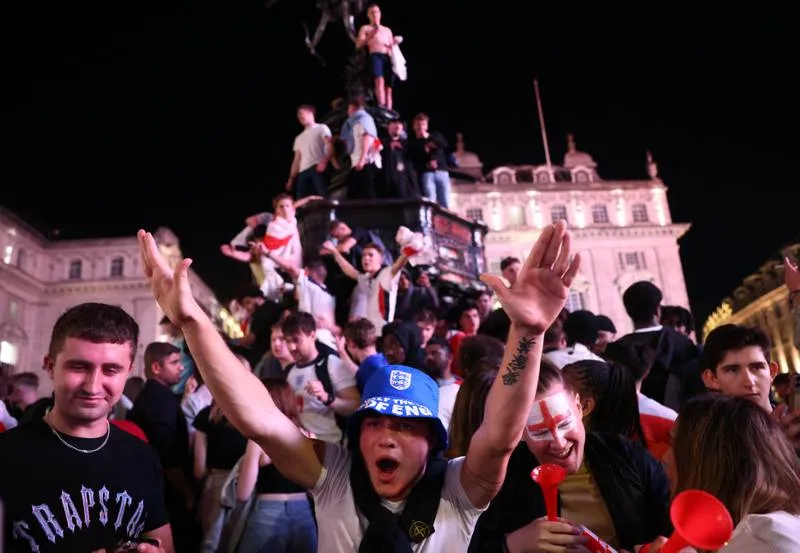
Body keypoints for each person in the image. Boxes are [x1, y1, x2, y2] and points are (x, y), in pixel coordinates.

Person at [137, 219, 580, 552]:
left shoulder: (460, 489)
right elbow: (259, 418)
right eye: (375, 422)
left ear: (433, 440)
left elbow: (500, 435)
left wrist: (528, 333)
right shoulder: (334, 477)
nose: (386, 436)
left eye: (405, 426)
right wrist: (192, 321)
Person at [0, 303, 172, 553]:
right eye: (79, 367)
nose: (93, 387)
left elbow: (164, 543)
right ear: (50, 366)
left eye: (111, 370)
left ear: (127, 372)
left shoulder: (144, 457)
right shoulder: (6, 455)